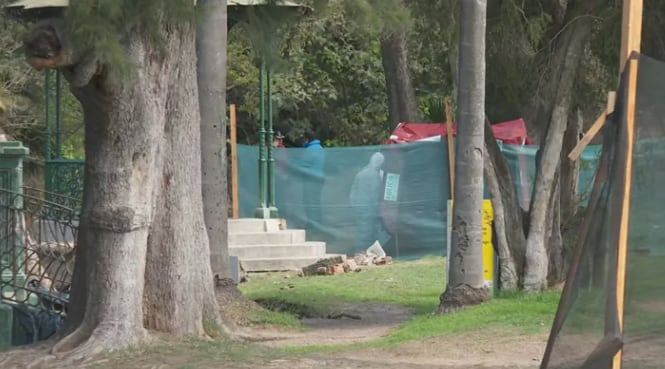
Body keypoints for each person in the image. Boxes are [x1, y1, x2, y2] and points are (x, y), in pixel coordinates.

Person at [349, 152, 386, 253]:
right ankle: (363, 253)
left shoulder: (361, 172)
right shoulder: (373, 175)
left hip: (360, 208)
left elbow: (353, 192)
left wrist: (354, 205)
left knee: (362, 232)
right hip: (369, 209)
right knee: (367, 233)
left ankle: (362, 252)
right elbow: (375, 194)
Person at [301, 132, 325, 231]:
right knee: (316, 202)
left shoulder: (309, 150)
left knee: (309, 202)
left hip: (310, 180)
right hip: (319, 178)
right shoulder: (320, 148)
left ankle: (312, 225)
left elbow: (302, 164)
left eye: (304, 139)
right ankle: (318, 223)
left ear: (307, 139)